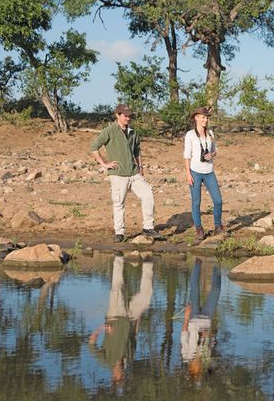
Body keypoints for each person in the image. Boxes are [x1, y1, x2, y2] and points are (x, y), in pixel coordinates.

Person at [90, 104, 163, 242]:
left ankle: (148, 227)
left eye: (129, 116)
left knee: (148, 195)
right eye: (125, 115)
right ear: (117, 115)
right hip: (118, 173)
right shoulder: (109, 131)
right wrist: (104, 164)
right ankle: (119, 232)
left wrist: (140, 166)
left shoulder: (133, 132)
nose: (128, 118)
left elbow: (137, 151)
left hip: (134, 172)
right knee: (119, 202)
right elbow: (94, 147)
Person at [88, 255, 154, 388]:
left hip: (115, 317)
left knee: (117, 288)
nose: (121, 374)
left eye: (118, 377)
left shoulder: (106, 360)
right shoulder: (129, 358)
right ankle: (148, 261)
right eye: (122, 377)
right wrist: (138, 319)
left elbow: (91, 344)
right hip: (130, 319)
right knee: (146, 298)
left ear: (113, 375)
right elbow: (134, 337)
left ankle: (118, 258)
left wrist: (102, 328)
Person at [184, 107, 224, 241]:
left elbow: (215, 150)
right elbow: (187, 156)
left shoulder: (210, 133)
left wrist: (211, 154)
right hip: (195, 171)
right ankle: (199, 229)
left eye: (206, 117)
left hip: (209, 171)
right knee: (196, 202)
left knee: (218, 200)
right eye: (203, 117)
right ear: (196, 117)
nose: (205, 120)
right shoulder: (190, 135)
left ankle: (218, 226)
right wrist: (188, 174)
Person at [181, 258, 222, 383]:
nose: (197, 367)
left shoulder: (186, 355)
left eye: (195, 369)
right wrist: (209, 333)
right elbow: (212, 340)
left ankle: (198, 263)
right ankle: (217, 264)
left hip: (193, 318)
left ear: (191, 368)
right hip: (206, 320)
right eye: (199, 370)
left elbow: (184, 335)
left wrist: (186, 317)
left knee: (195, 289)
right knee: (216, 290)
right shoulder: (206, 358)